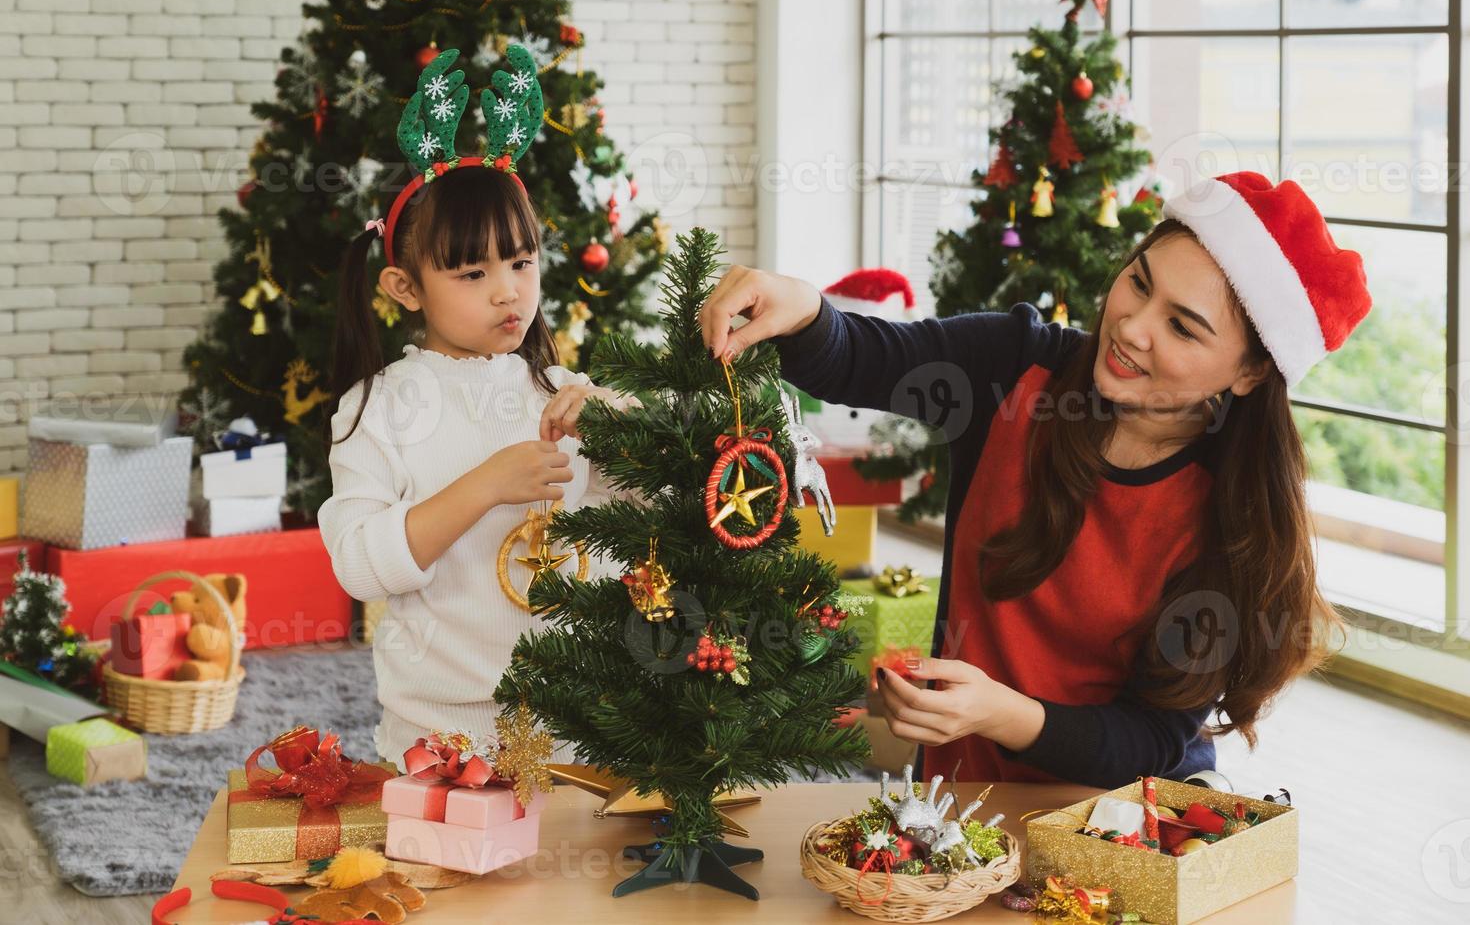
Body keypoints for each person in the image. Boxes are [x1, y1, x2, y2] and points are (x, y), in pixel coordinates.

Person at [699, 171, 1372, 787]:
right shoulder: (1012, 371)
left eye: (1183, 327)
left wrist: (1000, 714)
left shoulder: (1231, 523)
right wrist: (803, 307)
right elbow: (861, 357)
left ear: (1250, 373)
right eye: (1139, 283)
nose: (1132, 328)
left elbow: (1148, 740)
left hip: (1114, 837)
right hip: (954, 807)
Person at [317, 48, 635, 764]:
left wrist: (619, 431)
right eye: (473, 272)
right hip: (445, 741)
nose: (509, 292)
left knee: (570, 871)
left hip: (581, 728)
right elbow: (360, 567)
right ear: (405, 288)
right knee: (457, 873)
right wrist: (485, 486)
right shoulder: (379, 409)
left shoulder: (561, 391)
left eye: (522, 262)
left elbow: (653, 504)